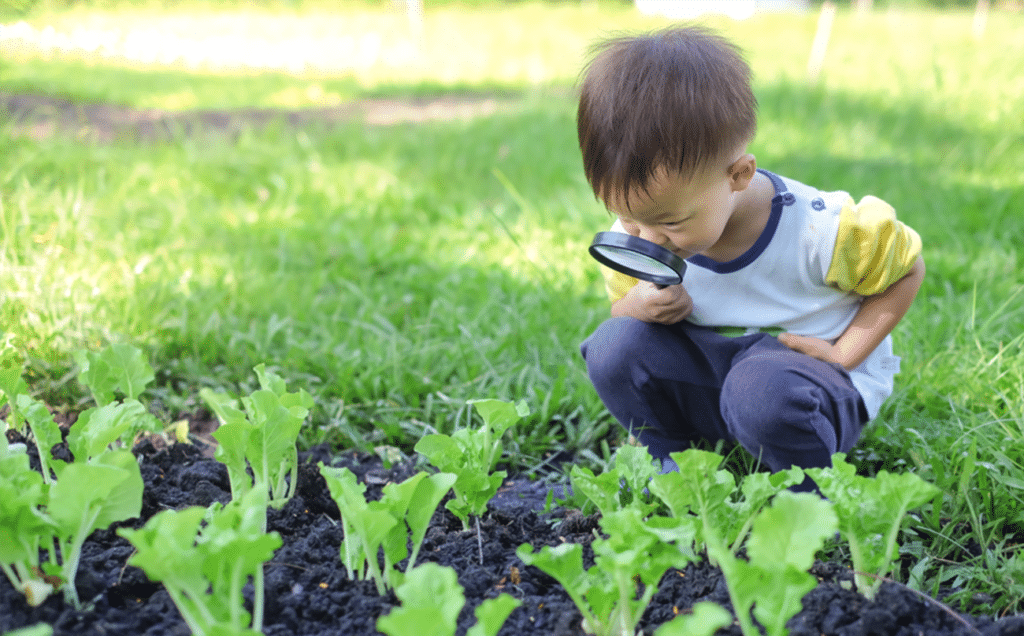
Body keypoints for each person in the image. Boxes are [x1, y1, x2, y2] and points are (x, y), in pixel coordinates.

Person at [577, 26, 925, 490]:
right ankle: (673, 462)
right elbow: (624, 312)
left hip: (803, 386)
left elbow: (905, 272)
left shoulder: (822, 231)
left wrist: (846, 353)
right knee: (612, 346)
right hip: (714, 376)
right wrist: (640, 306)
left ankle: (805, 488)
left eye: (671, 223)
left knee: (759, 390)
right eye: (627, 219)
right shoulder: (643, 227)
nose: (648, 239)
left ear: (739, 175)